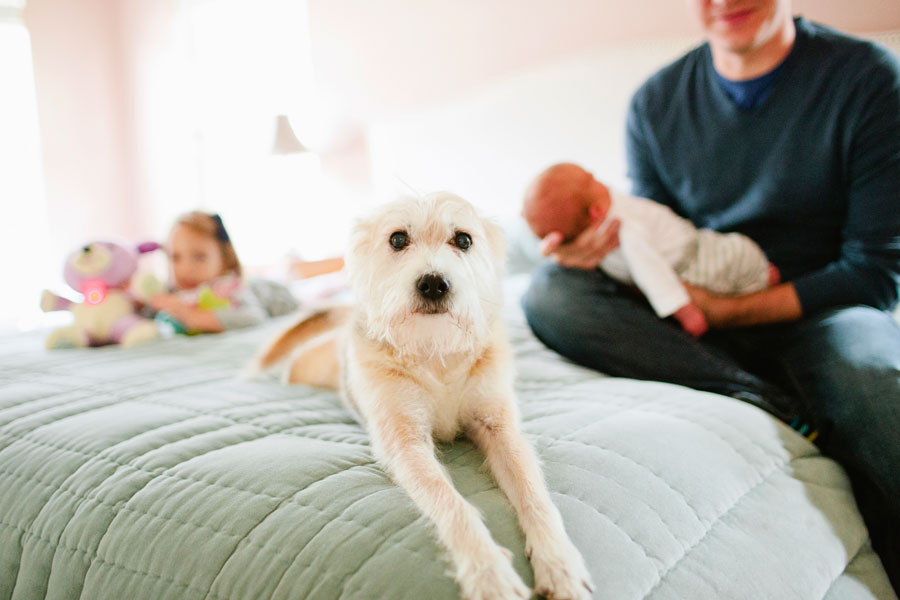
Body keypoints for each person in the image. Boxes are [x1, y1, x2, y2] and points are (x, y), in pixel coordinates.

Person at [522, 0, 900, 590]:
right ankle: (771, 401)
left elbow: (877, 274)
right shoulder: (655, 104)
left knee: (871, 371)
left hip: (828, 310)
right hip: (698, 320)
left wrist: (724, 309)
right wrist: (603, 253)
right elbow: (659, 241)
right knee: (551, 290)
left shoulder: (867, 77)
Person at [522, 162, 780, 338]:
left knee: (730, 258)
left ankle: (757, 277)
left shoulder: (603, 217)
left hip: (692, 247)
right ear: (596, 212)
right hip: (690, 260)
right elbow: (651, 271)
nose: (600, 180)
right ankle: (760, 276)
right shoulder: (624, 227)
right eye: (593, 179)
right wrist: (684, 310)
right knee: (738, 253)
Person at [150, 211, 270, 334]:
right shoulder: (173, 291)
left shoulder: (230, 287)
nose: (186, 268)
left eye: (199, 257)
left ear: (224, 260)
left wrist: (190, 315)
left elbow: (254, 317)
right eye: (175, 257)